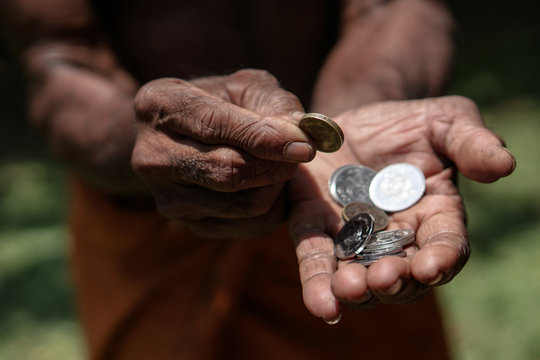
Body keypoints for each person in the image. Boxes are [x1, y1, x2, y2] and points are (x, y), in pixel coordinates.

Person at [0, 0, 516, 359]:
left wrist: (351, 115)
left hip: (331, 200)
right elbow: (60, 58)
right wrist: (137, 138)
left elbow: (396, 6)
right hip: (151, 220)